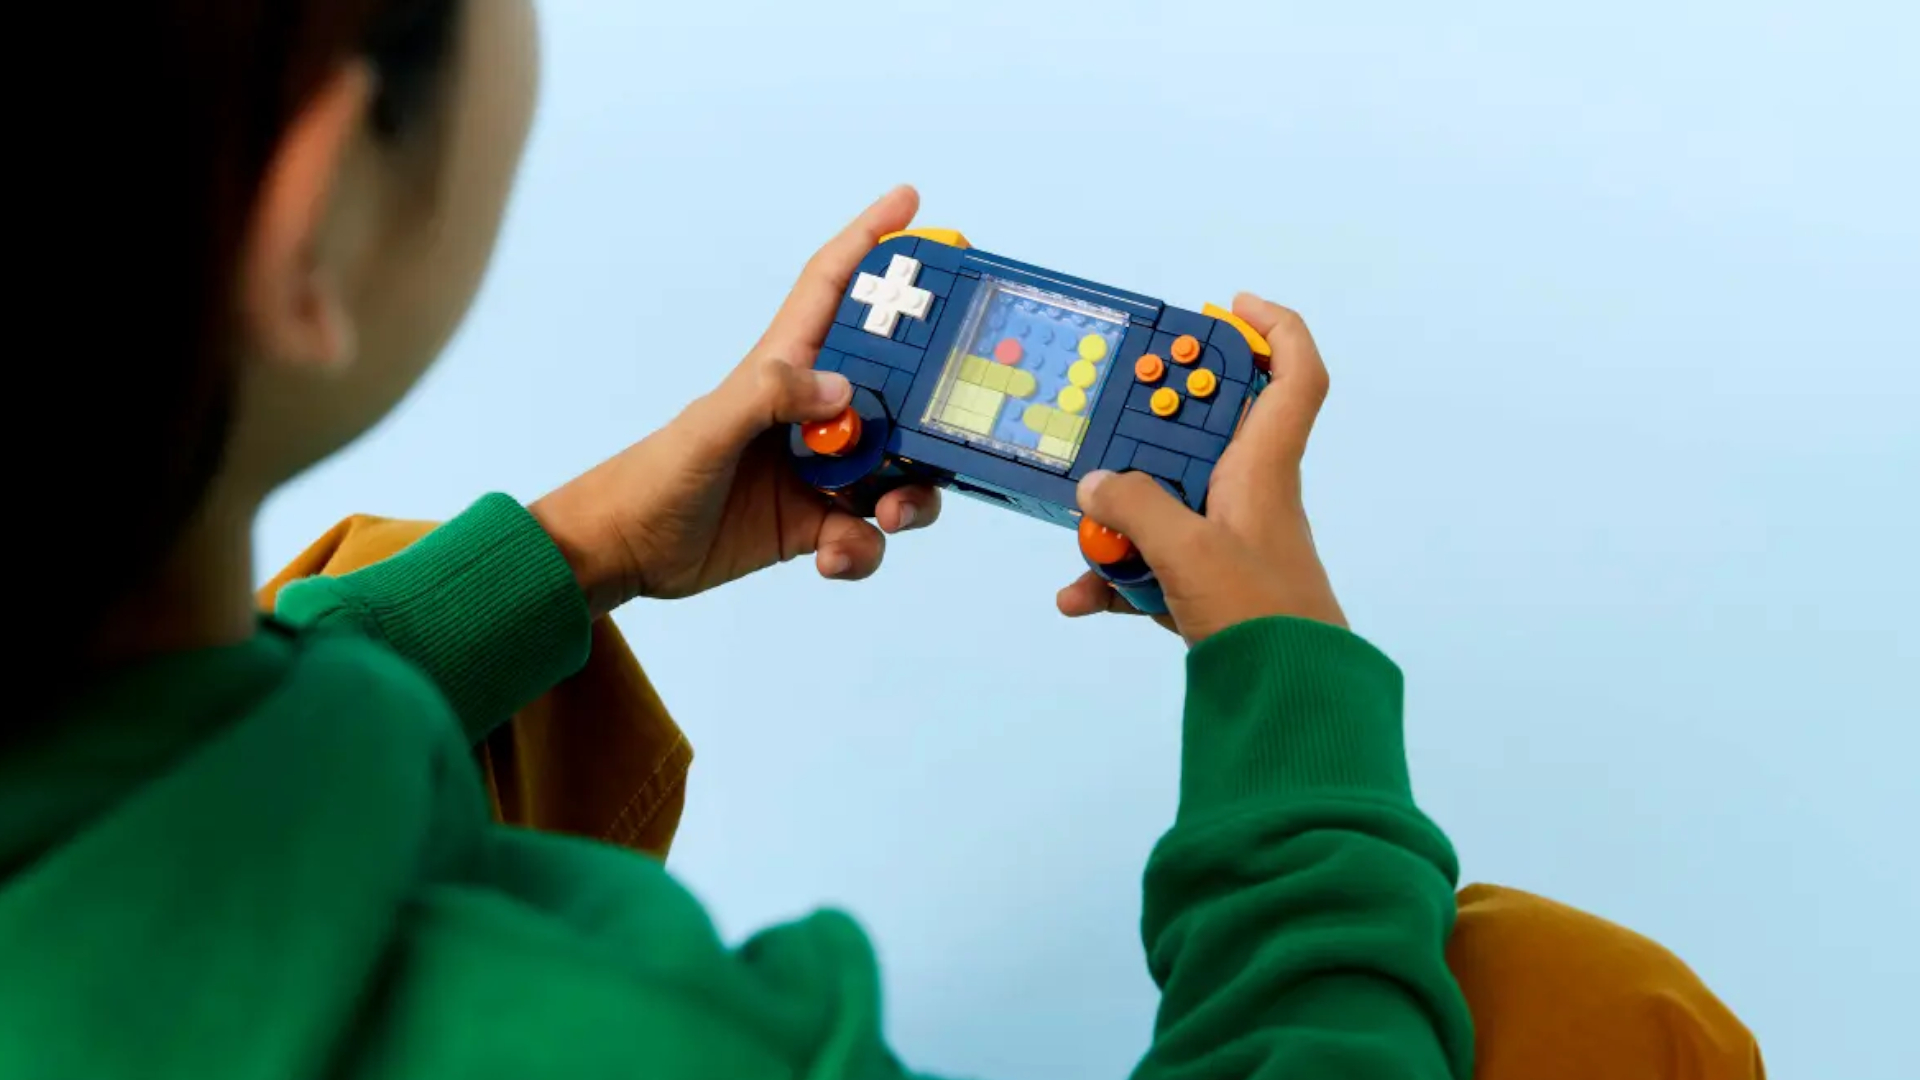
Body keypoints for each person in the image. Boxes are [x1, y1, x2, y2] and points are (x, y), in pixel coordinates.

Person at [0, 1, 1763, 1077]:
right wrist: (1286, 717)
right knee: (1567, 1003)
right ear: (317, 228)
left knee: (404, 619)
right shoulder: (669, 1048)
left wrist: (585, 546)